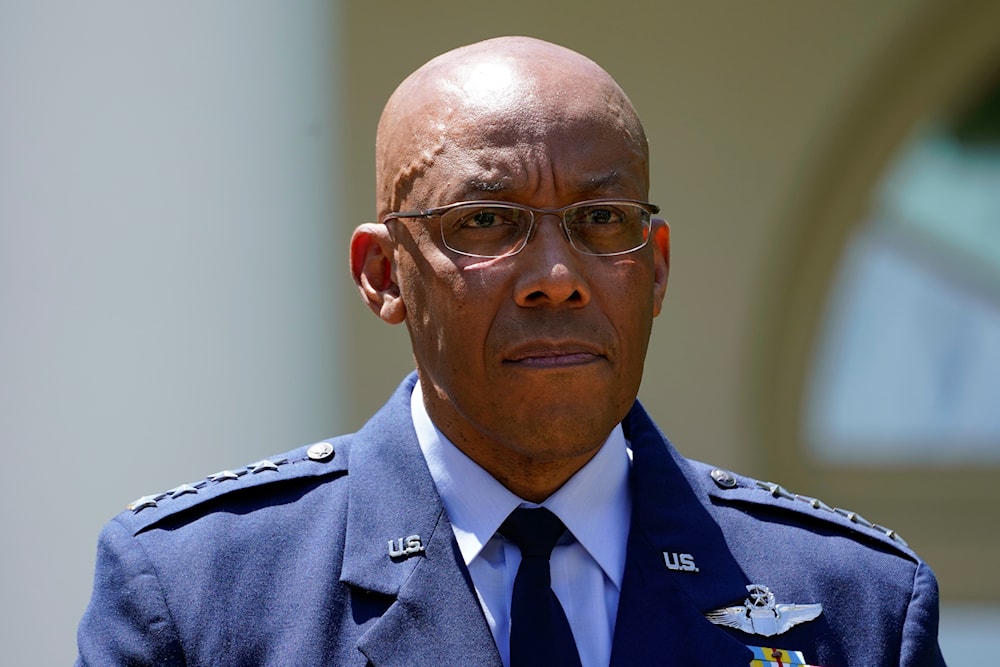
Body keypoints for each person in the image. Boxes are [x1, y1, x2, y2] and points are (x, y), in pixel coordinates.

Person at [76, 36, 946, 666]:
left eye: (603, 220)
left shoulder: (854, 606)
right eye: (486, 222)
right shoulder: (200, 597)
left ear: (657, 270)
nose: (557, 277)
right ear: (383, 274)